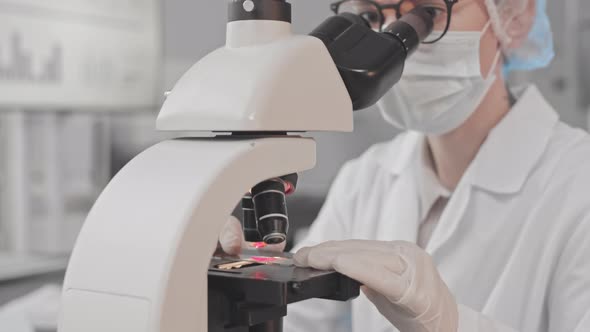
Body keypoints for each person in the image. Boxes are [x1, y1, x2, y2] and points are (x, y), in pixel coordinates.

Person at [220, 0, 590, 331]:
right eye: (369, 16)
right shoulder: (365, 178)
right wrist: (217, 292)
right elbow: (298, 322)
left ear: (514, 17)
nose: (389, 40)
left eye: (428, 13)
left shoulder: (578, 183)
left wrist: (451, 326)